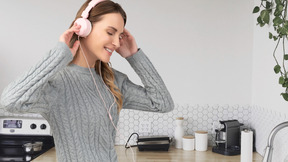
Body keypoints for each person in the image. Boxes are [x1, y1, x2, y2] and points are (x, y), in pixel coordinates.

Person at [0, 0, 174, 161]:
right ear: (85, 28)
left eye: (119, 35)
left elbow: (162, 104)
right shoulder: (57, 83)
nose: (115, 42)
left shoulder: (113, 81)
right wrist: (59, 55)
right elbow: (9, 101)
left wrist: (135, 56)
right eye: (110, 32)